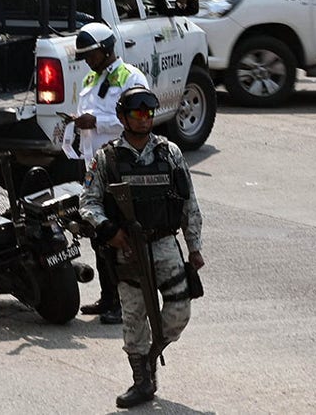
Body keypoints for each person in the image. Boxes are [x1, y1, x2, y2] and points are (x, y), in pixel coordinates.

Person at [80, 86, 204, 409]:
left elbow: (189, 203)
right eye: (136, 113)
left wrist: (194, 247)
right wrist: (111, 232)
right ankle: (142, 381)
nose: (144, 119)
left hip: (165, 245)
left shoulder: (169, 153)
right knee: (134, 317)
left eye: (148, 113)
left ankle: (150, 356)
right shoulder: (106, 158)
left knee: (180, 310)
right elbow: (88, 203)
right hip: (128, 250)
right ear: (122, 118)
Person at [71, 22, 150, 326]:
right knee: (98, 237)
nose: (87, 60)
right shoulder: (92, 78)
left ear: (106, 50)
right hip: (93, 168)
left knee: (120, 238)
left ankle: (123, 303)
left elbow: (140, 119)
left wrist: (96, 122)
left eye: (90, 54)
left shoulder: (130, 77)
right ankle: (108, 297)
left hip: (121, 169)